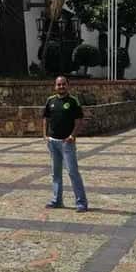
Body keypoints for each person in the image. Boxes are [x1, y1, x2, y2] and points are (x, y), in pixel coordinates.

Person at [42, 75, 88, 212]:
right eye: (58, 84)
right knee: (55, 173)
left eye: (63, 84)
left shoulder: (73, 101)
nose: (61, 86)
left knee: (73, 172)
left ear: (68, 85)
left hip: (67, 143)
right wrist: (45, 135)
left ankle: (81, 202)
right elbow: (45, 118)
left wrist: (72, 136)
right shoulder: (50, 100)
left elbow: (79, 120)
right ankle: (57, 200)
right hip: (53, 142)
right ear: (55, 86)